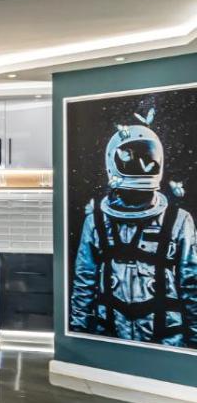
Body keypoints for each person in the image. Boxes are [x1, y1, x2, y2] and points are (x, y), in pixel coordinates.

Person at [70, 110, 197, 347]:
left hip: (166, 341)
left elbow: (192, 286)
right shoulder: (96, 221)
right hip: (110, 337)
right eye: (132, 159)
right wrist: (78, 337)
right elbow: (84, 285)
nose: (141, 166)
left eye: (147, 159)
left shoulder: (178, 221)